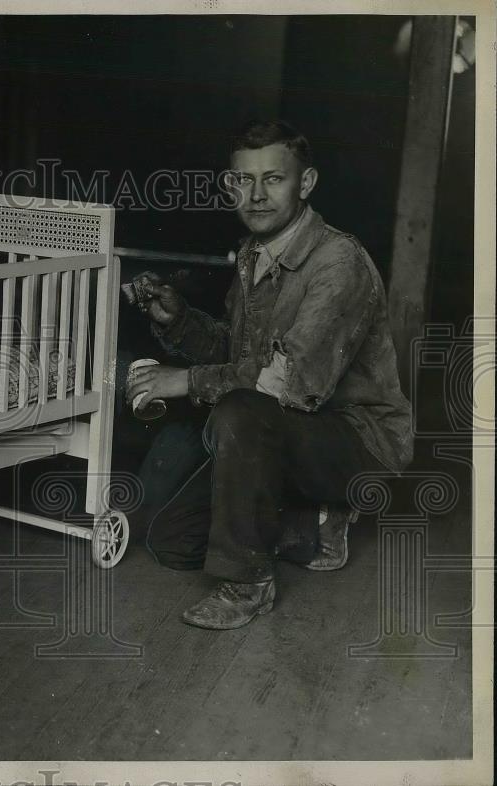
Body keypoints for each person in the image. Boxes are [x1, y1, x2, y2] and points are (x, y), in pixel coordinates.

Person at [124, 119, 413, 630]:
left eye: (273, 179)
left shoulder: (337, 261)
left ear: (305, 184)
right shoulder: (256, 253)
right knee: (171, 541)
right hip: (281, 430)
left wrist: (185, 381)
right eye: (242, 180)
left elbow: (290, 381)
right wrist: (182, 321)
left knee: (238, 411)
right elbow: (241, 354)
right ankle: (311, 521)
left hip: (358, 444)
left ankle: (247, 584)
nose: (255, 195)